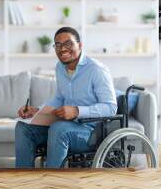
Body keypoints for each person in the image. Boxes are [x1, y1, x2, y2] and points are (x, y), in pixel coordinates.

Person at [15, 27, 117, 168]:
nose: (62, 49)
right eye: (57, 45)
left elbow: (110, 108)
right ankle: (23, 178)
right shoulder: (60, 67)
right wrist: (37, 111)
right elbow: (60, 98)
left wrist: (77, 111)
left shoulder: (97, 70)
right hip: (64, 126)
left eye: (68, 44)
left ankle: (52, 183)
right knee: (23, 127)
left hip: (91, 132)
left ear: (80, 45)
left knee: (59, 128)